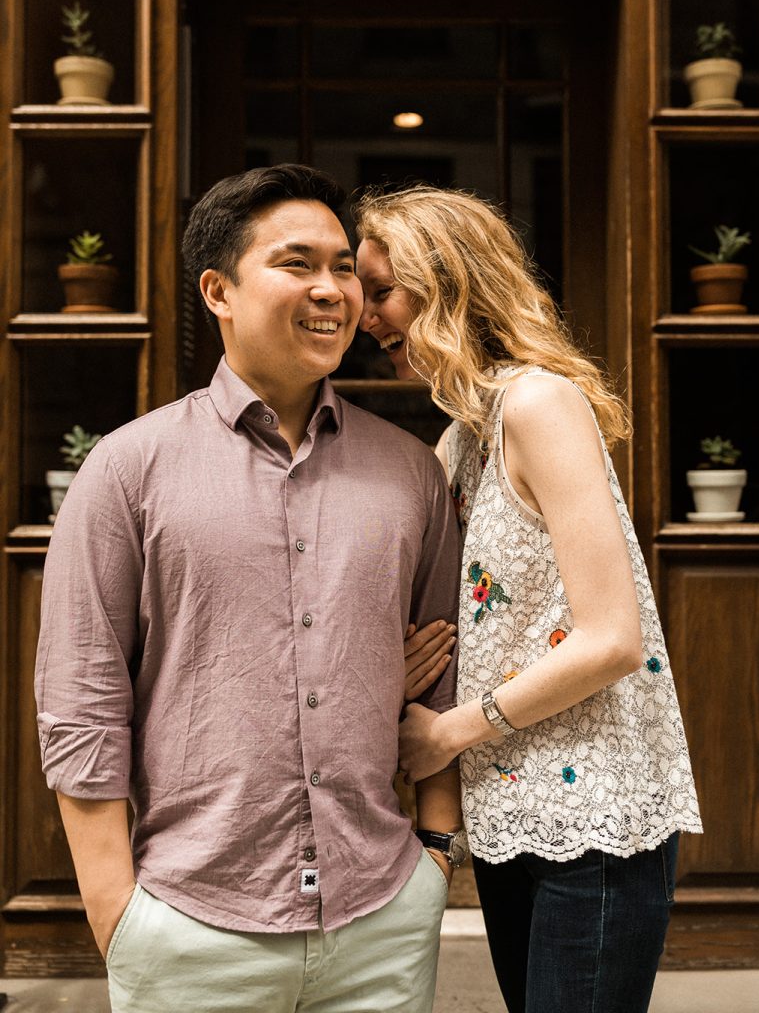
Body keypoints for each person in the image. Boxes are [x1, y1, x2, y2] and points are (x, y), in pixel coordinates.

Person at [35, 164, 464, 1013]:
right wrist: (118, 915)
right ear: (218, 291)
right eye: (297, 264)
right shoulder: (128, 469)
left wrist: (437, 857)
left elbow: (446, 677)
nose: (333, 290)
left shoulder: (411, 473)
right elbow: (81, 701)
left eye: (344, 267)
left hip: (380, 919)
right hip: (190, 928)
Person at [355, 185, 702, 1013]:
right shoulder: (460, 435)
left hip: (597, 822)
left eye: (381, 290)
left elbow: (612, 638)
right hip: (512, 812)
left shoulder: (540, 403)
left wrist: (446, 733)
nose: (365, 316)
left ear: (448, 283)